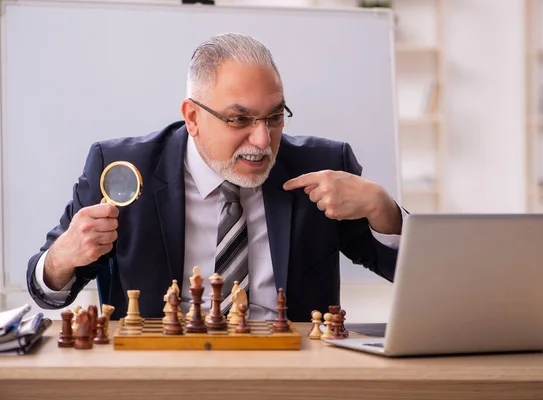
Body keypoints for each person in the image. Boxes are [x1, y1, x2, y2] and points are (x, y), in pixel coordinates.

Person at [26, 33, 407, 322]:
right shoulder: (120, 167)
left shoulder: (323, 166)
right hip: (162, 368)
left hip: (289, 372)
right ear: (192, 117)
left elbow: (410, 276)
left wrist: (383, 209)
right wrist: (63, 257)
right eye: (239, 119)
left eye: (274, 117)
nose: (262, 140)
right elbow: (46, 289)